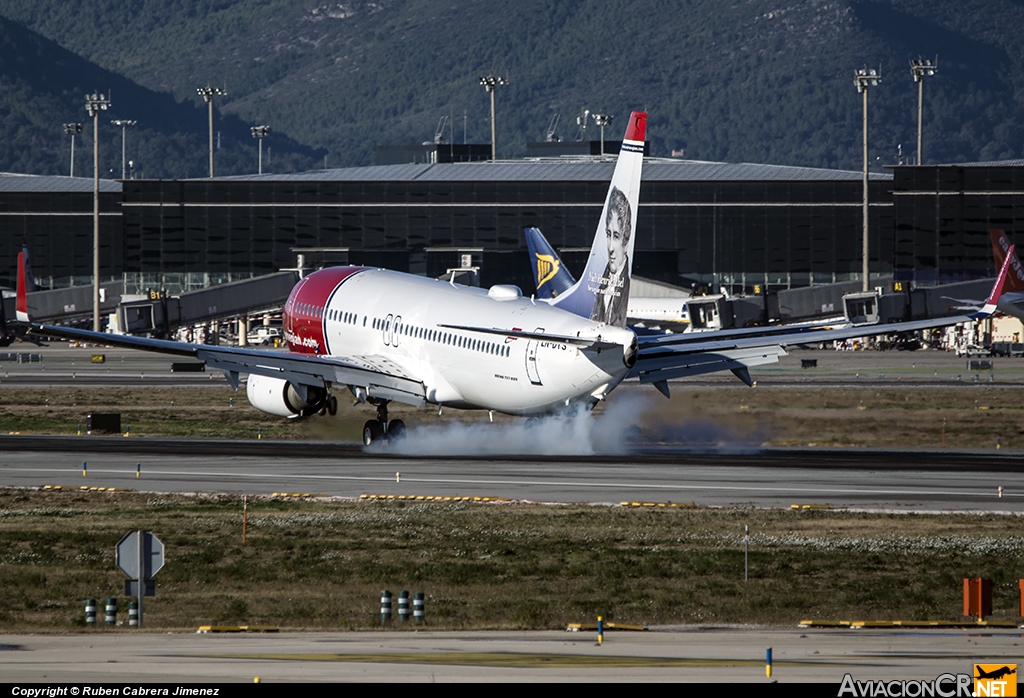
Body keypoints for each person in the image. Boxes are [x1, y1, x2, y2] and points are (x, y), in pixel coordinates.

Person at [589, 186, 631, 326]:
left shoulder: (625, 284)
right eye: (608, 235)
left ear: (625, 241)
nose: (610, 248)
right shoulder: (602, 280)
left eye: (616, 236)